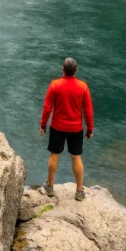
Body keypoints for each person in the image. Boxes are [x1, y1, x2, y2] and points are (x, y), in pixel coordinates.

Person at [39, 57, 94, 201]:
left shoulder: (55, 85)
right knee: (76, 157)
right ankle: (79, 190)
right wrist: (90, 128)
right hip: (76, 129)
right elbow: (88, 111)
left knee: (54, 155)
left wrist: (43, 124)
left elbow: (47, 108)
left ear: (62, 69)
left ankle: (50, 186)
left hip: (57, 126)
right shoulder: (83, 86)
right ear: (76, 70)